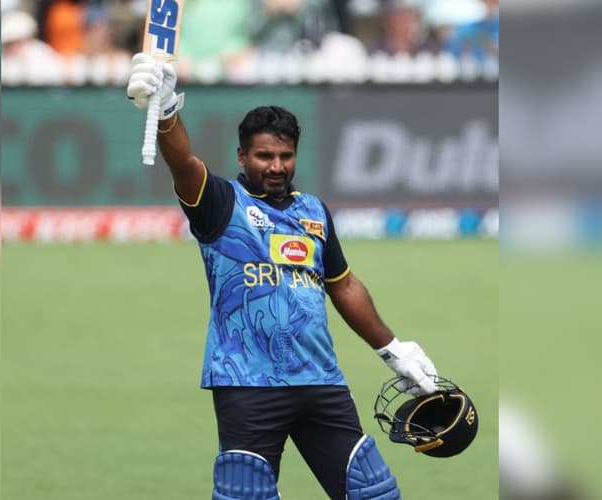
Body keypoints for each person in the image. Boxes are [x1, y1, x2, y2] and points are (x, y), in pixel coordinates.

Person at [126, 53, 439, 500]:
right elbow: (183, 162)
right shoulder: (219, 203)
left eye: (285, 156)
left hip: (321, 380)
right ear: (242, 156)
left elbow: (344, 285)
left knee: (373, 495)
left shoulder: (313, 211)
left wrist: (393, 349)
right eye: (264, 156)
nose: (276, 166)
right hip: (247, 384)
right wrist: (166, 110)